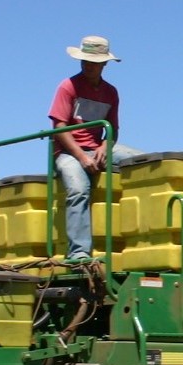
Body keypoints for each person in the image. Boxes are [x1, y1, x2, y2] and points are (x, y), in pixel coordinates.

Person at [49, 35, 121, 260]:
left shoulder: (111, 92)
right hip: (68, 152)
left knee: (144, 163)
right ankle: (79, 253)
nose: (88, 65)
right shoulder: (68, 86)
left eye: (93, 61)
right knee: (79, 189)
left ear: (104, 64)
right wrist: (81, 156)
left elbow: (113, 129)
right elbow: (59, 126)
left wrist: (105, 146)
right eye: (85, 60)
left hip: (97, 148)